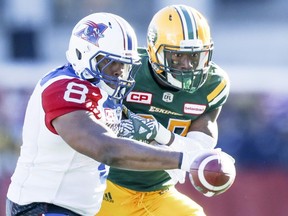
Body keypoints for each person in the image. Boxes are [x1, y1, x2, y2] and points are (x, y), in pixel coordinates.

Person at [5, 12, 216, 216]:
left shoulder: (101, 91)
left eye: (124, 64)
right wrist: (184, 159)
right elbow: (105, 149)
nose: (118, 71)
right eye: (111, 62)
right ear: (83, 53)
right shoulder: (65, 88)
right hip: (43, 207)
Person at [97, 5, 231, 216]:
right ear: (153, 50)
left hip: (157, 193)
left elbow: (197, 153)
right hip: (104, 186)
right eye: (176, 56)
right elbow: (92, 131)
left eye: (195, 56)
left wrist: (157, 132)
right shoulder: (127, 69)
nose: (188, 65)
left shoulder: (213, 85)